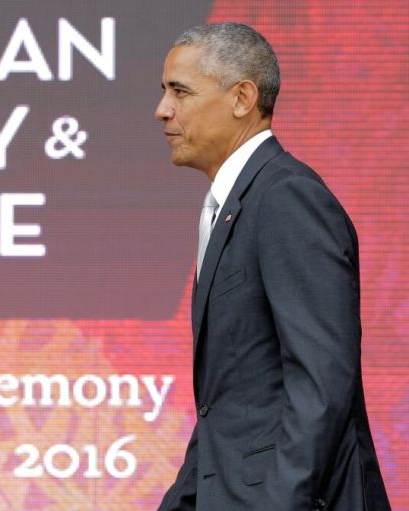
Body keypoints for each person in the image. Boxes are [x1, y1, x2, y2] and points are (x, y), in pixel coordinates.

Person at [154, 23, 391, 510]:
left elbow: (322, 383)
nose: (162, 110)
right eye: (164, 92)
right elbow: (226, 409)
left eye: (180, 91)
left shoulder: (286, 197)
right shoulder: (236, 205)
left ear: (242, 97)